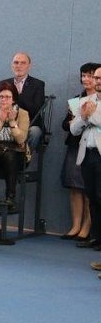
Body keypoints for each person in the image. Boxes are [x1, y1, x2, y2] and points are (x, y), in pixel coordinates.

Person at [61, 62, 99, 241]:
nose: (86, 79)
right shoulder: (77, 99)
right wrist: (74, 119)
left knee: (91, 189)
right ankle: (76, 225)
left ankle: (88, 227)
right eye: (83, 75)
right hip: (76, 145)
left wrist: (87, 117)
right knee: (75, 186)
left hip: (95, 146)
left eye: (90, 76)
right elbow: (67, 125)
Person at [0, 81, 30, 207]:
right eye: (1, 97)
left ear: (13, 99)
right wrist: (1, 121)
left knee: (10, 156)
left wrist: (12, 122)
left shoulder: (23, 113)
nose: (4, 100)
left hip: (15, 150)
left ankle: (10, 198)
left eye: (7, 97)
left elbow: (21, 139)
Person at [69, 65, 101, 251]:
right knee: (92, 196)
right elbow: (74, 129)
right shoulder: (85, 101)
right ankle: (95, 237)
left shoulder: (90, 106)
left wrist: (89, 115)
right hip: (87, 153)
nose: (97, 81)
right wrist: (82, 117)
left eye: (100, 78)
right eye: (96, 78)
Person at [0, 52, 46, 151]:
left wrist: (18, 95)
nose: (19, 66)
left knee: (35, 132)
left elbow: (37, 109)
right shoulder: (3, 83)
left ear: (29, 66)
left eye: (23, 63)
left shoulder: (38, 84)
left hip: (30, 124)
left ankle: (24, 157)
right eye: (16, 62)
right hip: (7, 123)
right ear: (12, 65)